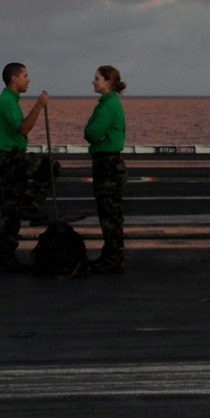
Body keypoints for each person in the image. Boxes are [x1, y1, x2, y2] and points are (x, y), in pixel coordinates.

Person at [0, 62, 52, 274]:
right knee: (50, 167)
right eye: (25, 75)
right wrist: (39, 105)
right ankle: (31, 205)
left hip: (10, 158)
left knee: (10, 211)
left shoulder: (10, 100)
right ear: (14, 78)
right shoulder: (7, 101)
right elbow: (23, 128)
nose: (29, 79)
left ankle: (5, 258)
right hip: (10, 159)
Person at [84, 65, 127, 274]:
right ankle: (111, 254)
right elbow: (89, 131)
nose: (94, 82)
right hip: (106, 161)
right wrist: (93, 133)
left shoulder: (108, 106)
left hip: (107, 163)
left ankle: (114, 257)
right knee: (108, 212)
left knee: (109, 212)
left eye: (97, 78)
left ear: (108, 81)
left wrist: (95, 134)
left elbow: (92, 132)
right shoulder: (106, 104)